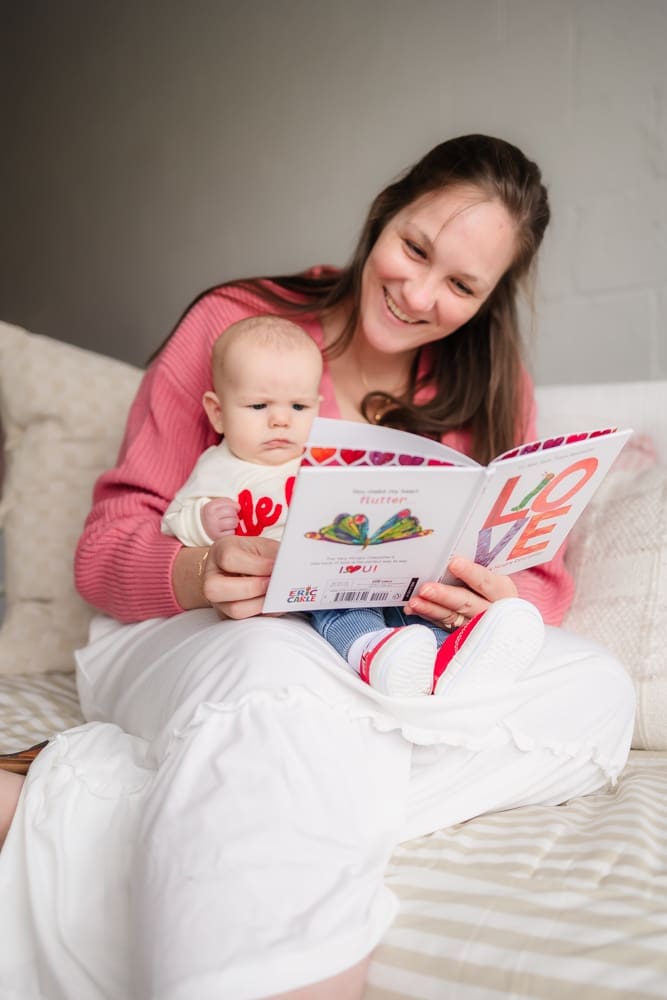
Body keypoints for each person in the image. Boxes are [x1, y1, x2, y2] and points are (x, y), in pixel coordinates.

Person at [69, 134, 634, 1000]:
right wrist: (196, 571)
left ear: (489, 300)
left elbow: (538, 576)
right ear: (383, 214)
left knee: (597, 692)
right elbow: (108, 547)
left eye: (460, 285)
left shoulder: (489, 383)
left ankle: (118, 806)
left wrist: (490, 596)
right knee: (279, 670)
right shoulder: (234, 324)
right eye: (412, 249)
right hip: (209, 637)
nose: (416, 293)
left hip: (387, 655)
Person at [162, 313, 546, 699]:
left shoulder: (322, 460)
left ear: (316, 406)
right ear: (217, 412)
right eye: (259, 406)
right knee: (339, 605)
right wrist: (205, 520)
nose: (280, 421)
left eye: (297, 408)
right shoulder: (219, 466)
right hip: (295, 586)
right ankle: (369, 651)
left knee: (408, 600)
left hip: (354, 568)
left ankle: (453, 656)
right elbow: (175, 518)